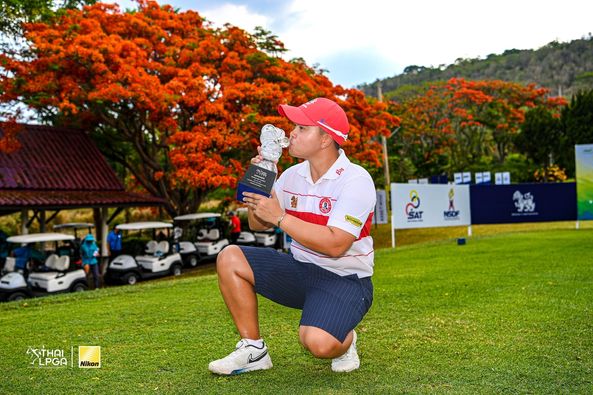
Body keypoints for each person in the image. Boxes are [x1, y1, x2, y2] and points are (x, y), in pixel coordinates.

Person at [209, 98, 376, 375]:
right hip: (299, 269)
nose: (292, 134)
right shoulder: (290, 175)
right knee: (230, 257)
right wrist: (260, 181)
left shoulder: (356, 179)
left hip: (345, 279)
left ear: (325, 138)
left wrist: (280, 217)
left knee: (319, 343)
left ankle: (346, 338)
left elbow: (336, 245)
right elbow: (257, 224)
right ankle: (254, 350)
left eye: (301, 128)